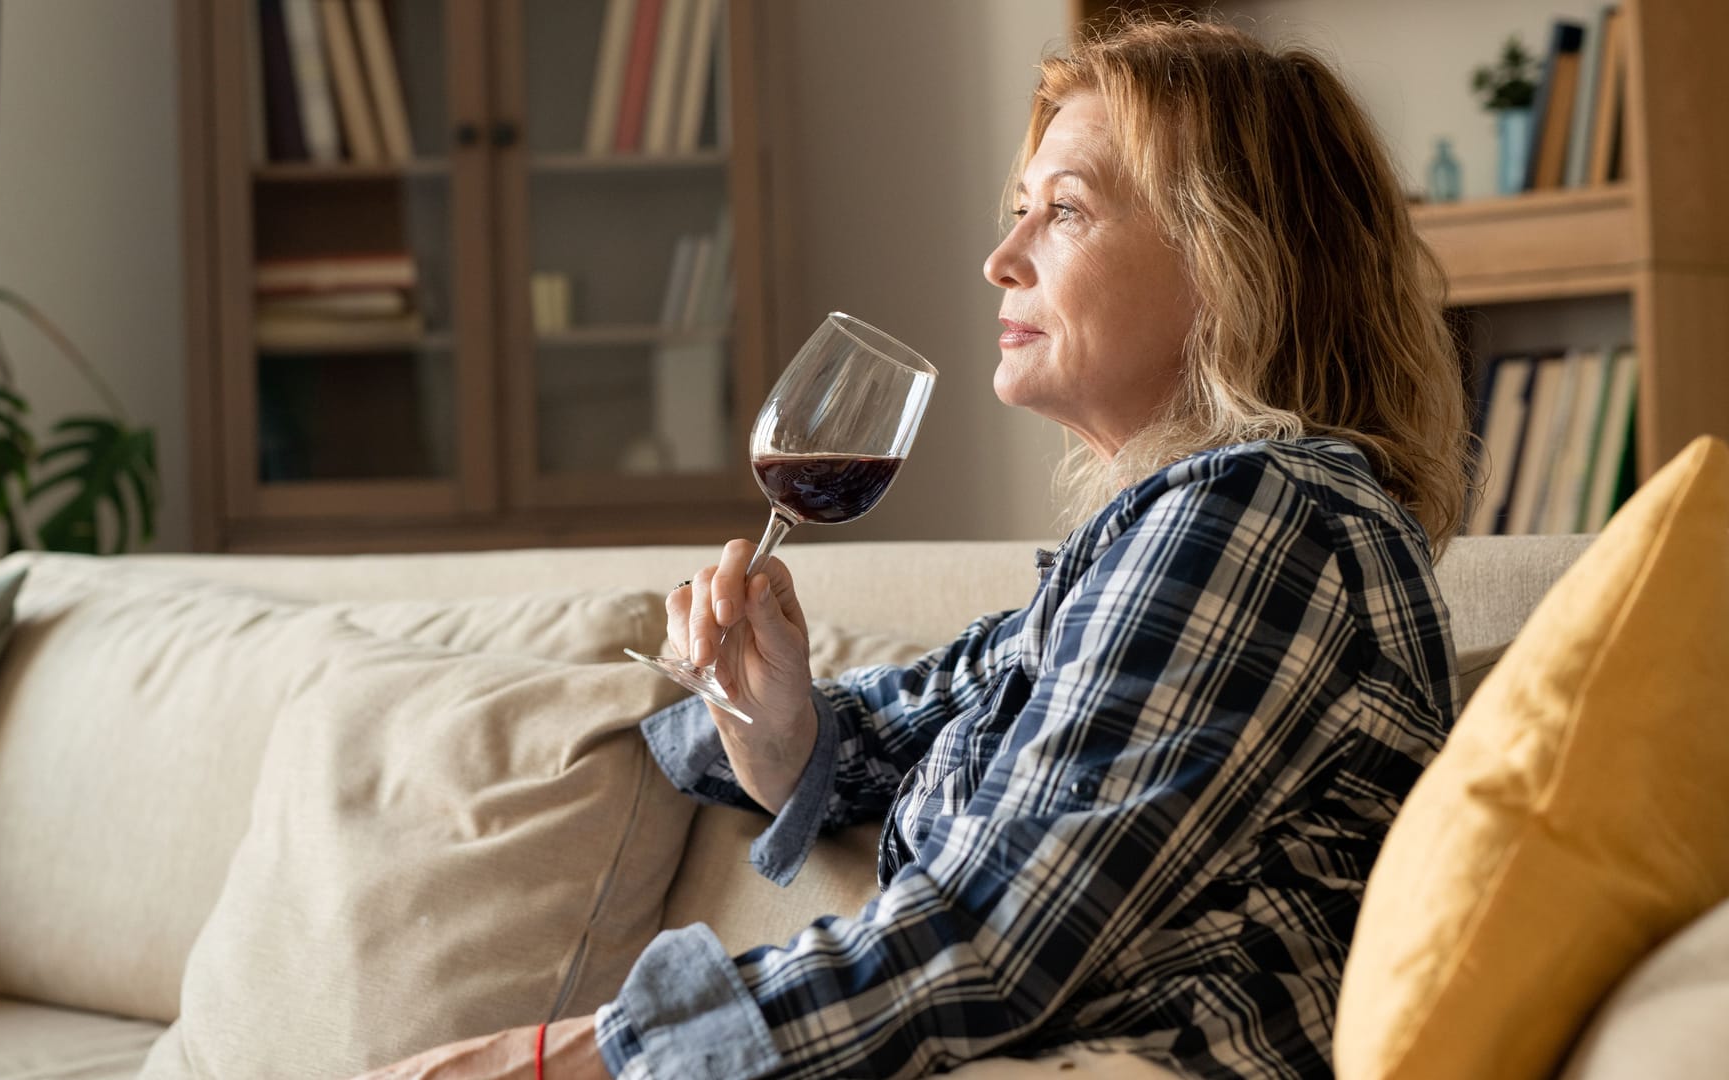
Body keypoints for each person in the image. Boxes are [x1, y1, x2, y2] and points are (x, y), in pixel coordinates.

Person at [360, 13, 1471, 1080]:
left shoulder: (1259, 521)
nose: (1000, 258)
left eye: (1066, 211)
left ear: (1233, 258)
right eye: (1019, 208)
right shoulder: (1155, 540)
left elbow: (993, 940)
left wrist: (580, 1055)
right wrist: (773, 722)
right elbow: (898, 727)